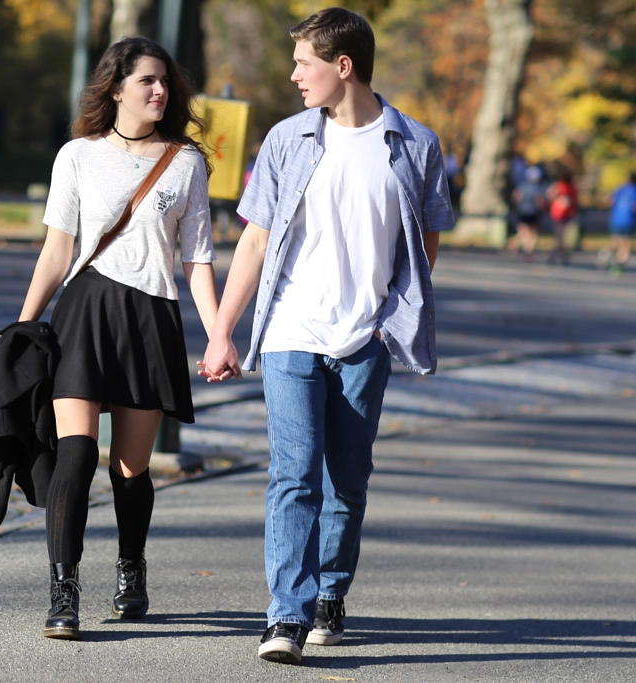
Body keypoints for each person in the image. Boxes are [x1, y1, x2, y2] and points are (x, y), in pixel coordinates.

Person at [199, 8, 454, 665]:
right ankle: (285, 615)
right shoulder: (287, 140)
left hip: (366, 337)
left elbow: (425, 243)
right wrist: (223, 330)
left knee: (347, 478)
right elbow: (255, 238)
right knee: (293, 472)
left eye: (304, 63)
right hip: (291, 328)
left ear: (344, 66)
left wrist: (390, 312)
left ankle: (330, 595)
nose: (293, 76)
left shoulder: (416, 144)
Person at [16, 36, 219, 641]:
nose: (160, 92)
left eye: (165, 82)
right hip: (86, 310)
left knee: (131, 469)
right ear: (116, 88)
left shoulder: (185, 163)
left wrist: (218, 337)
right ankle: (63, 588)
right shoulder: (77, 155)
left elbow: (198, 259)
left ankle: (131, 571)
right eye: (147, 82)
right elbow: (58, 249)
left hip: (150, 319)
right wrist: (26, 326)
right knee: (75, 454)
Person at [603, 172, 636, 276]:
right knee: (625, 244)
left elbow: (609, 200)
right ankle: (618, 266)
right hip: (629, 220)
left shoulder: (621, 188)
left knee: (615, 241)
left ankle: (605, 254)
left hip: (616, 219)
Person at [509, 165, 546, 261]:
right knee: (532, 234)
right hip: (534, 212)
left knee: (523, 232)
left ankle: (514, 245)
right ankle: (528, 253)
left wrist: (520, 205)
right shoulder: (538, 188)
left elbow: (516, 197)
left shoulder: (522, 186)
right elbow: (540, 201)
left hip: (522, 211)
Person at [545, 167, 579, 264]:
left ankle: (557, 255)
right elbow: (550, 195)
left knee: (560, 237)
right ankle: (559, 256)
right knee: (560, 236)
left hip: (564, 214)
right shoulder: (560, 186)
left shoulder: (568, 187)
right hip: (559, 214)